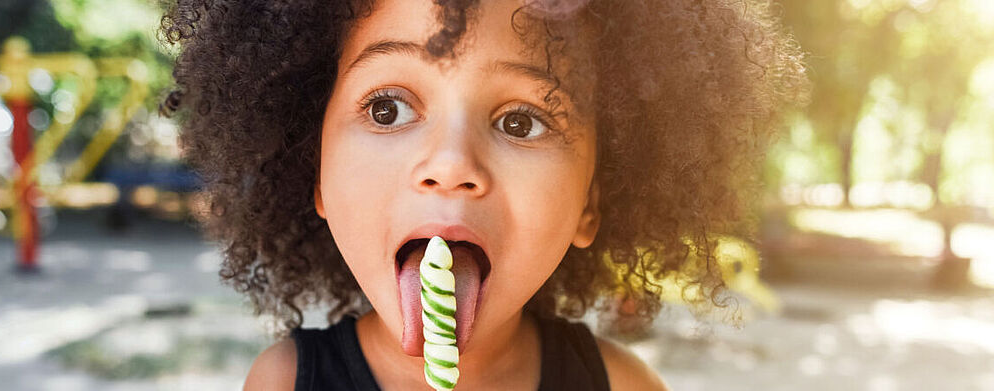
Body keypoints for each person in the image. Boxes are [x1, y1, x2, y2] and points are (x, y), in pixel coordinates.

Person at [159, 0, 807, 389]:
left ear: (590, 203)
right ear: (314, 173)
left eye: (521, 121)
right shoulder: (284, 383)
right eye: (387, 108)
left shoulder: (621, 386)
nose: (450, 164)